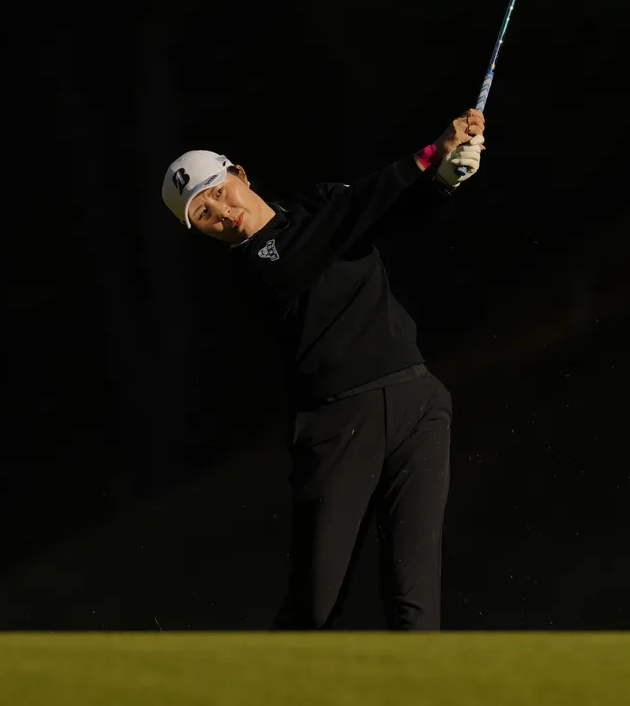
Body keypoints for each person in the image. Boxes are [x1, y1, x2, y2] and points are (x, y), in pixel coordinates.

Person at [160, 109, 486, 630]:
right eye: (203, 214)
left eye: (219, 192)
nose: (223, 211)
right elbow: (345, 220)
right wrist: (428, 156)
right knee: (316, 603)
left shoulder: (319, 202)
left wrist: (446, 178)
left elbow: (387, 212)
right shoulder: (256, 266)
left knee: (414, 593)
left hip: (417, 402)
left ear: (240, 174)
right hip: (338, 426)